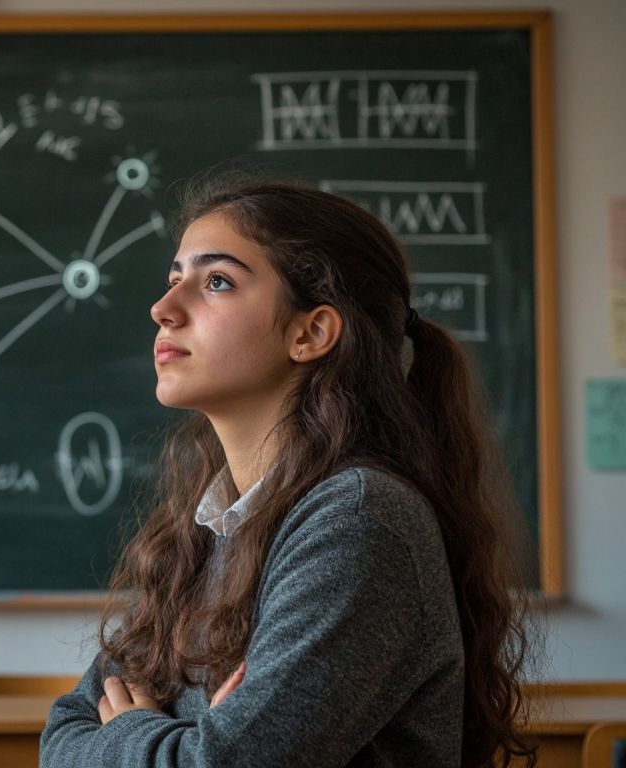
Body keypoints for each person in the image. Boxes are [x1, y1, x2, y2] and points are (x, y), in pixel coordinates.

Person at [39, 176, 537, 768]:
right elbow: (63, 734)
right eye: (175, 280)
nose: (163, 309)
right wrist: (185, 739)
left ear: (310, 332)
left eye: (216, 282)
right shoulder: (208, 523)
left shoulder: (357, 520)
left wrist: (138, 729)